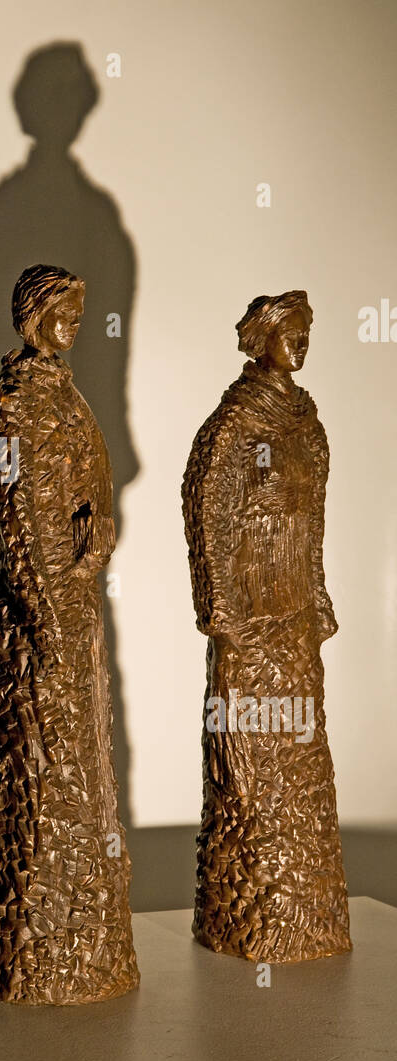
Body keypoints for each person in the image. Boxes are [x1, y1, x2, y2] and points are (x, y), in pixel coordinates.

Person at [0, 264, 139, 1004]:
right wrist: (46, 613)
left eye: (80, 311)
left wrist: (97, 537)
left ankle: (84, 946)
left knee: (78, 774)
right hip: (43, 615)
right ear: (31, 314)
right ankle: (39, 955)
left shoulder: (61, 391)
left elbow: (92, 492)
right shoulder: (19, 401)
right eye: (62, 310)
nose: (73, 322)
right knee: (41, 773)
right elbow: (22, 523)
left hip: (73, 600)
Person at [182, 291, 351, 962]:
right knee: (248, 760)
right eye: (291, 334)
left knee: (300, 758)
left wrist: (315, 591)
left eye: (307, 331)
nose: (301, 343)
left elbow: (311, 521)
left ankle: (306, 913)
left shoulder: (305, 424)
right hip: (249, 620)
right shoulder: (232, 428)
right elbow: (207, 520)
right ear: (261, 342)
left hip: (293, 617)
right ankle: (251, 911)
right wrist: (220, 611)